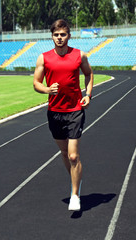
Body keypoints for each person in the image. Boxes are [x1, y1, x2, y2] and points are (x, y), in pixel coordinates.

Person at [33, 19, 94, 211]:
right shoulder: (44, 58)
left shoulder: (79, 55)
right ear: (52, 36)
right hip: (55, 112)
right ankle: (76, 180)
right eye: (56, 35)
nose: (59, 38)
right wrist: (47, 90)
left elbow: (89, 74)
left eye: (63, 34)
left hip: (75, 110)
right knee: (64, 153)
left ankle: (75, 194)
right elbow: (36, 83)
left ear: (69, 35)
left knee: (74, 155)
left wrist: (88, 94)